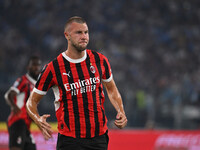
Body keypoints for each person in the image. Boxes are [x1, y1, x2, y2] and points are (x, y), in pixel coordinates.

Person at [26, 16, 128, 150]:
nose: (84, 36)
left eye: (86, 32)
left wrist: (121, 111)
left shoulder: (100, 60)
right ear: (67, 35)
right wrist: (37, 119)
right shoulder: (53, 68)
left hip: (99, 138)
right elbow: (31, 102)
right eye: (78, 33)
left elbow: (111, 89)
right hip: (70, 140)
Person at [4, 56, 42, 150]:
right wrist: (14, 107)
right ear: (28, 67)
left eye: (38, 65)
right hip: (18, 121)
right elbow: (9, 95)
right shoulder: (23, 80)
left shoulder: (36, 86)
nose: (36, 67)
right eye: (34, 64)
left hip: (26, 126)